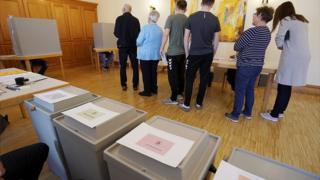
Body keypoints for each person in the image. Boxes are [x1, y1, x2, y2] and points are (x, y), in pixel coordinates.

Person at [261, 1, 310, 122]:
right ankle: (280, 111)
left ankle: (274, 114)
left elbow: (279, 39)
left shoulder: (286, 20)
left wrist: (283, 46)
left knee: (283, 85)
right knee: (287, 84)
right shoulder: (302, 21)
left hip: (292, 56)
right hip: (304, 56)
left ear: (282, 12)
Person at [225, 6, 274, 122]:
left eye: (255, 14)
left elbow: (236, 46)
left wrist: (239, 38)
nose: (253, 16)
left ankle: (235, 115)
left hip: (246, 65)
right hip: (257, 66)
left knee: (240, 90)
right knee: (250, 89)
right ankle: (247, 113)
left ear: (261, 16)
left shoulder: (251, 31)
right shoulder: (267, 32)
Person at [179, 0, 220, 112]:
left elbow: (185, 38)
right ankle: (198, 103)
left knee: (190, 79)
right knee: (204, 78)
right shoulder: (215, 19)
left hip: (193, 54)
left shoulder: (191, 17)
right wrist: (212, 54)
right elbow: (216, 42)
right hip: (207, 54)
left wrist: (187, 53)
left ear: (201, 3)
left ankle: (186, 104)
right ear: (212, 4)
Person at [160, 0, 188, 105]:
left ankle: (173, 99)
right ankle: (180, 94)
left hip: (172, 53)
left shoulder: (171, 17)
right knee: (181, 74)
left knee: (172, 75)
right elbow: (189, 37)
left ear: (176, 6)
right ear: (185, 8)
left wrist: (161, 47)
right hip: (183, 53)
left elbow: (166, 34)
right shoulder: (187, 19)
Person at [114, 4, 140, 91]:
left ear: (124, 9)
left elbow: (116, 33)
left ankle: (124, 85)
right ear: (130, 10)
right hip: (133, 46)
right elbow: (138, 34)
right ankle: (135, 85)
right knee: (135, 66)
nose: (122, 9)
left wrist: (122, 36)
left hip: (122, 46)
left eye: (122, 8)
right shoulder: (135, 20)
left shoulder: (119, 19)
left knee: (123, 66)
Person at [136, 10, 163, 97]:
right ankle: (154, 89)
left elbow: (138, 42)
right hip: (155, 55)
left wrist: (138, 43)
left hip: (145, 55)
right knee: (153, 72)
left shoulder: (145, 28)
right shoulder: (160, 30)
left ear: (149, 17)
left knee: (146, 73)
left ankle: (147, 91)